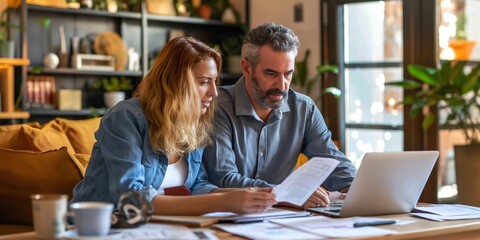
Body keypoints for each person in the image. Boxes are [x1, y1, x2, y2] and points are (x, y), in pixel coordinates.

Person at [71, 36, 277, 215]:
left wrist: (245, 195)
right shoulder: (126, 118)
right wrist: (221, 201)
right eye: (204, 82)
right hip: (102, 227)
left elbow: (197, 185)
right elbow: (131, 198)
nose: (214, 93)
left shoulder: (194, 124)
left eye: (215, 81)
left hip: (159, 228)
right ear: (175, 83)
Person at [202, 22, 356, 208]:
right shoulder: (217, 107)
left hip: (282, 222)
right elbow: (225, 179)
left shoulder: (303, 109)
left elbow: (332, 161)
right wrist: (285, 194)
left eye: (288, 74)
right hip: (228, 218)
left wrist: (357, 187)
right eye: (271, 73)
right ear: (246, 68)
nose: (282, 85)